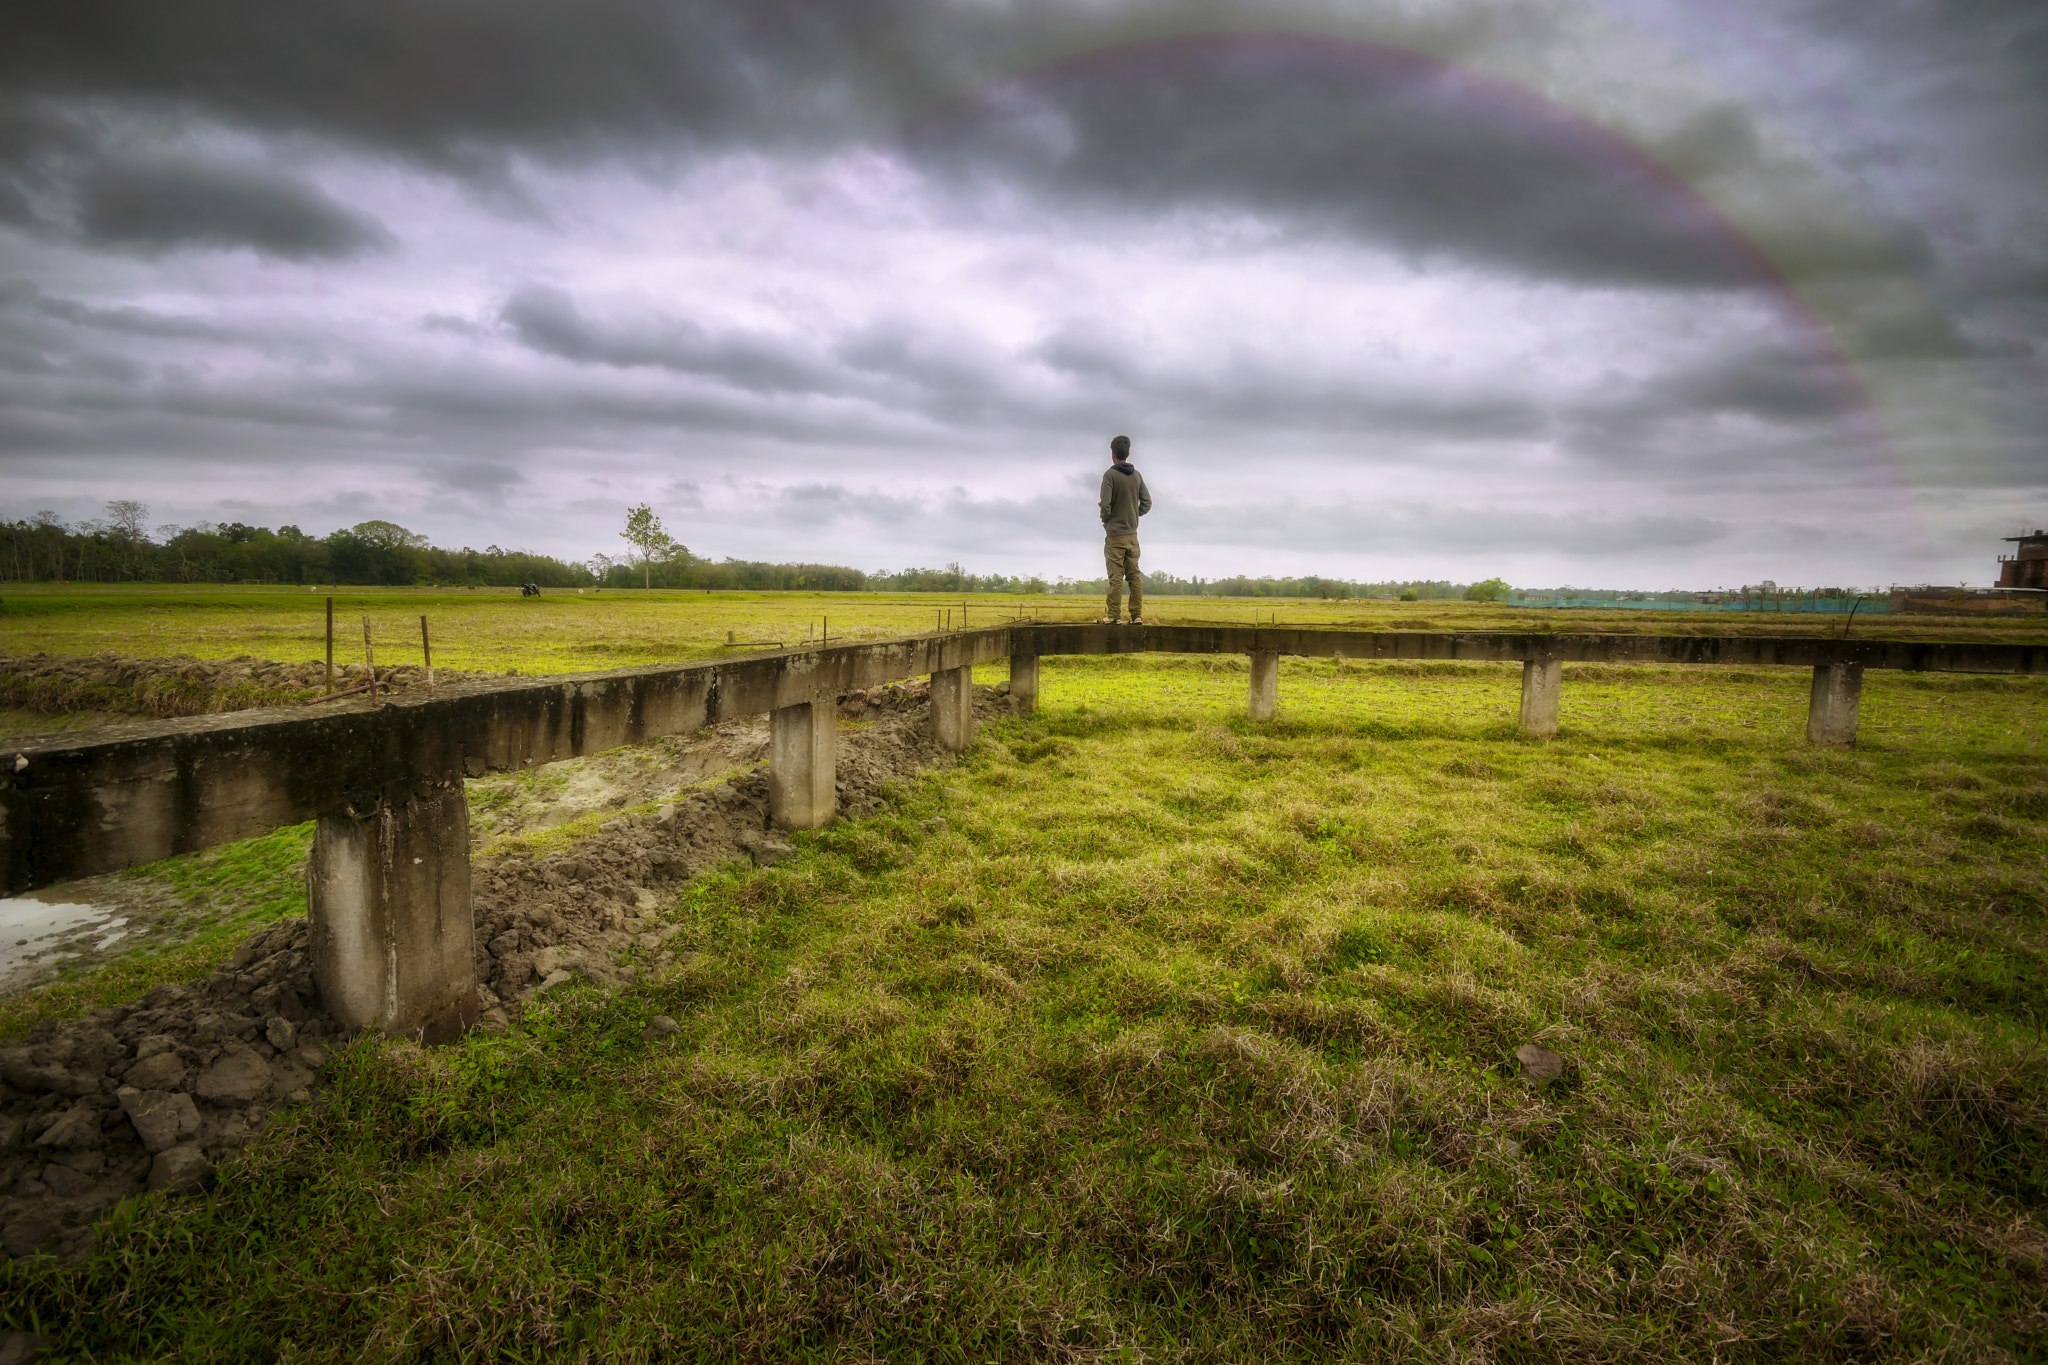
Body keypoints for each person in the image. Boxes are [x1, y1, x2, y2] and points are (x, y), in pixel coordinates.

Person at [1098, 433, 1151, 624]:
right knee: (1134, 576)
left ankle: (1114, 616)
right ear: (1128, 454)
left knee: (1116, 577)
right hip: (1132, 536)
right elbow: (1147, 502)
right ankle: (1136, 616)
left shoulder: (1110, 475)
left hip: (1114, 536)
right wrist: (1134, 515)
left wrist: (1106, 520)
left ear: (1113, 454)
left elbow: (1105, 506)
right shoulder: (1137, 476)